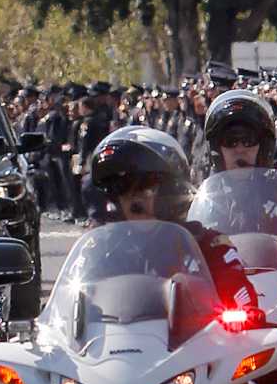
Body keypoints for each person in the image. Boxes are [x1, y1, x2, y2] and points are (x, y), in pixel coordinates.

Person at [87, 127, 259, 314]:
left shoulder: (210, 247)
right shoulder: (103, 250)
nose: (133, 197)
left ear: (171, 187)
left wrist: (246, 315)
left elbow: (243, 302)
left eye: (145, 185)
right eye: (121, 187)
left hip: (195, 342)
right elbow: (70, 308)